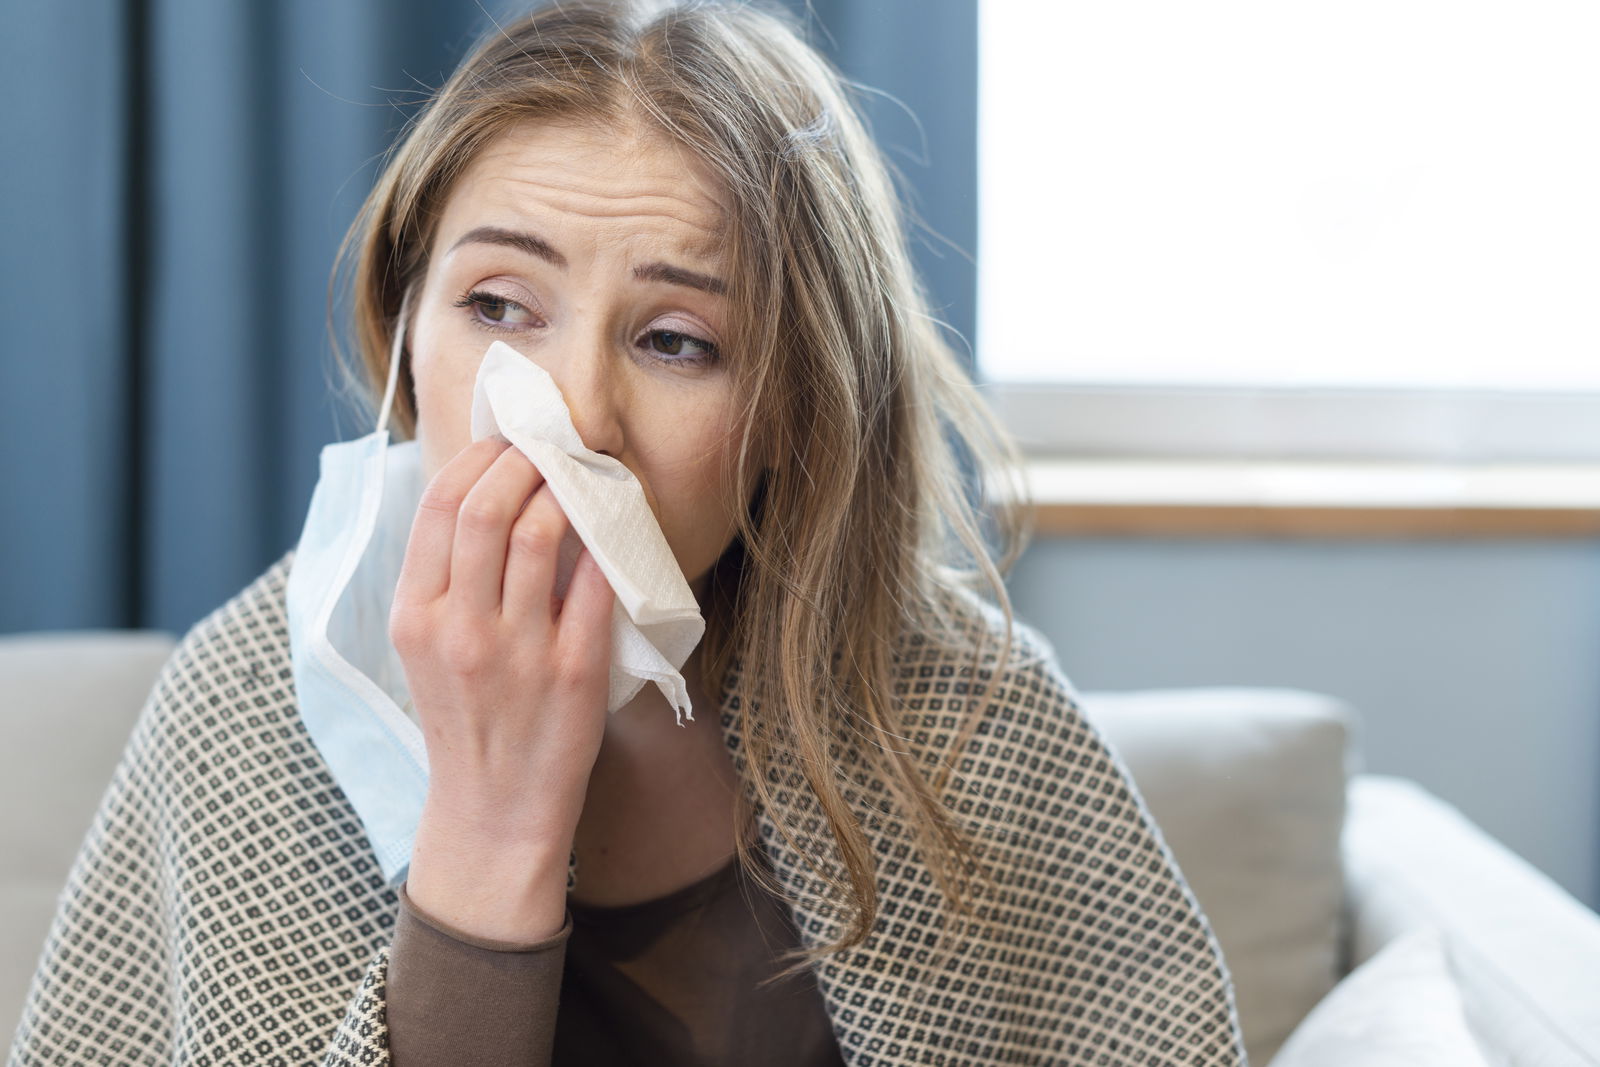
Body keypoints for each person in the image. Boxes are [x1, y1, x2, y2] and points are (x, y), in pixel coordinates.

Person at [7, 1, 1249, 1064]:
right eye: (499, 305)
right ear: (404, 336)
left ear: (790, 417)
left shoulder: (957, 707)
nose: (577, 417)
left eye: (675, 341)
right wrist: (491, 827)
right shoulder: (249, 706)